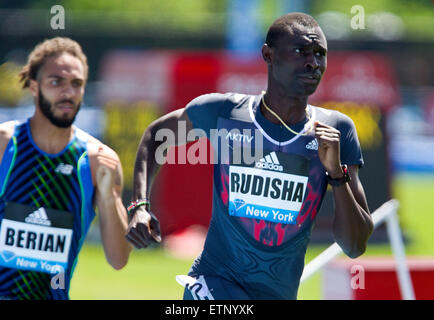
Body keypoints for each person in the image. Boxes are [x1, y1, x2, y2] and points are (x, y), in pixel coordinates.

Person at [125, 12, 374, 300]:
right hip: (213, 285)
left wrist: (336, 174)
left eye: (320, 54)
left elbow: (355, 245)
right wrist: (139, 206)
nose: (313, 62)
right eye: (301, 51)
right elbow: (156, 136)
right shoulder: (224, 113)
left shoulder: (336, 129)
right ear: (268, 54)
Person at [0, 37, 131, 300]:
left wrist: (109, 198)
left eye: (77, 84)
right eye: (56, 82)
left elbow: (119, 259)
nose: (68, 92)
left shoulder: (99, 160)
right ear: (33, 87)